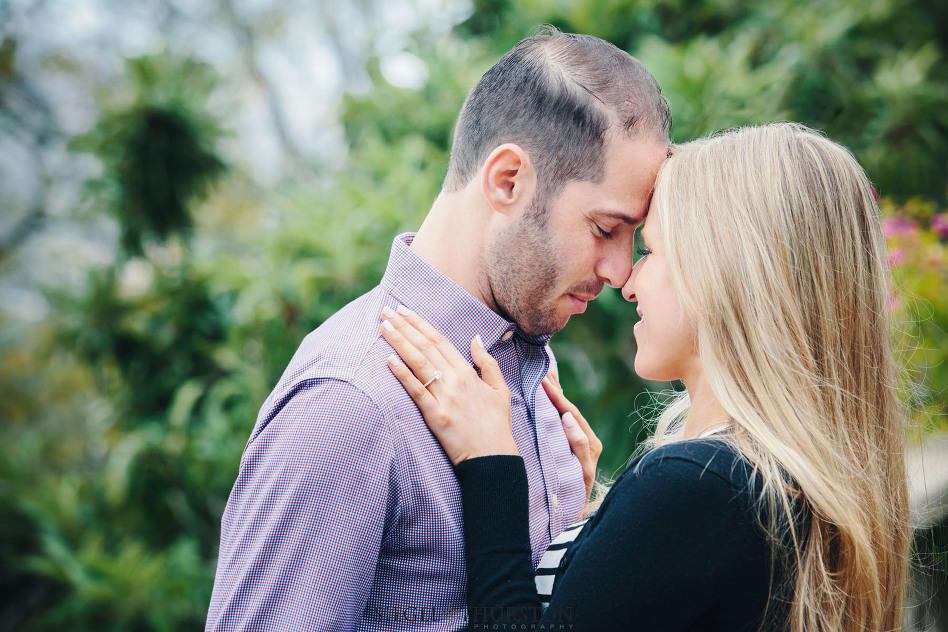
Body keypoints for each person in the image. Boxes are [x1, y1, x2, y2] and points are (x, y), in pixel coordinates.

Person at [205, 28, 671, 631]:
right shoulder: (350, 399)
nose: (618, 270)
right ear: (508, 180)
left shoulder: (531, 367)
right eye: (606, 229)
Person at [381, 123, 910, 631]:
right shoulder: (771, 481)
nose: (627, 281)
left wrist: (490, 466)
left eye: (651, 251)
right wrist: (596, 528)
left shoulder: (699, 487)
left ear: (727, 274)